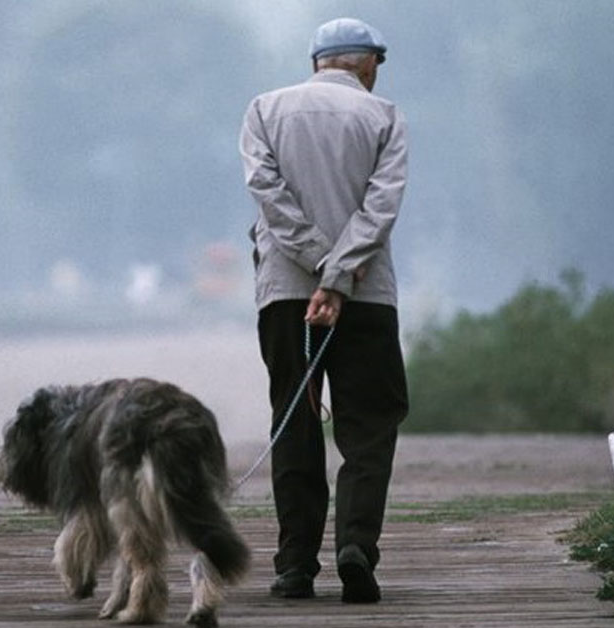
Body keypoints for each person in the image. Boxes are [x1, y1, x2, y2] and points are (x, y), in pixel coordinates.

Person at [238, 17, 409, 604]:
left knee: (295, 419)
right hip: (366, 297)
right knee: (369, 425)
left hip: (286, 292)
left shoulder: (264, 110)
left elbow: (269, 194)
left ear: (317, 62)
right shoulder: (385, 116)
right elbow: (380, 207)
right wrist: (338, 277)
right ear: (366, 64)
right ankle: (356, 547)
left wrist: (314, 266)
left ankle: (294, 567)